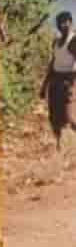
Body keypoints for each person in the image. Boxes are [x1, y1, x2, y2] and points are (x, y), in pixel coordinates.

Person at [44, 9, 75, 164]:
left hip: (66, 82)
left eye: (64, 22)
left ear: (70, 22)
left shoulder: (73, 41)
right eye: (59, 23)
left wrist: (72, 83)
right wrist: (44, 86)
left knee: (68, 118)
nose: (61, 25)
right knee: (53, 117)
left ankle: (66, 147)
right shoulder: (56, 42)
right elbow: (52, 64)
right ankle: (58, 147)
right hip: (55, 82)